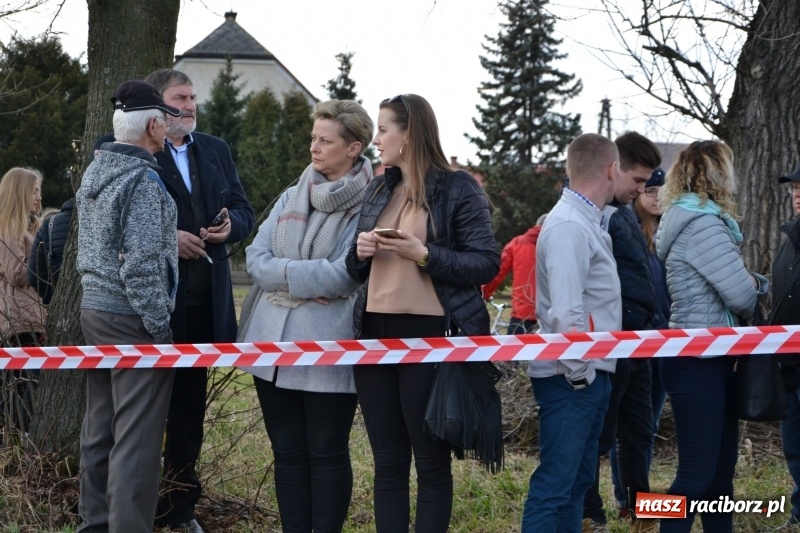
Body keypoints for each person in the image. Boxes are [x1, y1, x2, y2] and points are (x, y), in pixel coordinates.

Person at [92, 69, 255, 532]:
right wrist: (171, 238)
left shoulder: (216, 150)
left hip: (205, 303)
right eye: (180, 98)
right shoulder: (126, 150)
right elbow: (120, 222)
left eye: (192, 97)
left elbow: (244, 208)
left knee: (187, 417)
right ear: (157, 112)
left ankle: (178, 509)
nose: (190, 105)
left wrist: (231, 228)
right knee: (136, 420)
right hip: (154, 306)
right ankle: (116, 513)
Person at [345, 93, 499, 532]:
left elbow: (486, 262)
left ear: (409, 134)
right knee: (388, 461)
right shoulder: (379, 186)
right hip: (372, 334)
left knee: (430, 463)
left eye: (383, 129)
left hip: (429, 334)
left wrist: (425, 254)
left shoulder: (458, 187)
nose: (376, 139)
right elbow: (355, 269)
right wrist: (359, 251)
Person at [237, 99, 373, 532]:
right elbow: (254, 259)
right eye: (313, 137)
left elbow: (344, 276)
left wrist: (283, 277)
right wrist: (301, 278)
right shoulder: (290, 195)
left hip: (328, 345)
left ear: (354, 148)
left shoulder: (370, 205)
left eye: (325, 140)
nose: (313, 147)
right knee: (287, 451)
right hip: (270, 344)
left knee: (327, 449)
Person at [75, 80, 181, 533]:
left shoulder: (96, 171)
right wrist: (159, 326)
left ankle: (94, 524)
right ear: (154, 125)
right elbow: (139, 265)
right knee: (136, 439)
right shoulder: (142, 180)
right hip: (131, 317)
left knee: (100, 428)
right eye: (166, 120)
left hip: (93, 312)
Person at [655, 140, 766, 533]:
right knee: (694, 477)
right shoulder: (703, 225)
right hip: (697, 362)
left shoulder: (687, 219)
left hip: (709, 358)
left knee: (719, 478)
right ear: (719, 173)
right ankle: (652, 522)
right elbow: (741, 295)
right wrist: (758, 284)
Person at [521, 132, 621, 532]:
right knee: (556, 485)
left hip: (582, 373)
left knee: (575, 483)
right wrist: (582, 375)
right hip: (571, 377)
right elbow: (566, 313)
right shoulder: (569, 226)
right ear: (612, 170)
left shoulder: (581, 222)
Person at [582, 131, 660, 533]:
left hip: (639, 341)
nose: (643, 190)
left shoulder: (625, 211)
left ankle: (640, 509)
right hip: (610, 342)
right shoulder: (593, 214)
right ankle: (590, 513)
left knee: (639, 431)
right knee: (600, 435)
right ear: (615, 169)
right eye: (638, 181)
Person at [0, 167, 46, 433]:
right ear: (20, 194)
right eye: (34, 191)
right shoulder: (9, 228)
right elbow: (17, 272)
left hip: (27, 320)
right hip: (19, 323)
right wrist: (43, 262)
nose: (39, 198)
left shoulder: (23, 227)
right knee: (24, 396)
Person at [769, 164, 800, 530]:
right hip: (789, 363)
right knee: (794, 446)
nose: (796, 193)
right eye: (794, 187)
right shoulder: (789, 241)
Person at [482, 212, 547, 334]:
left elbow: (497, 272)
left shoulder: (517, 243)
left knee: (513, 351)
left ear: (536, 225)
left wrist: (484, 292)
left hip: (523, 311)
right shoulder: (558, 245)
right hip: (549, 313)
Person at [28, 198, 74, 304]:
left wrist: (53, 299)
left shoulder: (50, 224)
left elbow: (35, 276)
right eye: (34, 192)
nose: (39, 197)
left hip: (61, 301)